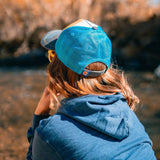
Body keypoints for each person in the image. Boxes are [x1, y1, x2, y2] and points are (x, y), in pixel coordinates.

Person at [26, 19, 156, 160]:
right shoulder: (130, 117)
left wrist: (40, 116)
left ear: (58, 67)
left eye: (53, 55)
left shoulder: (51, 132)